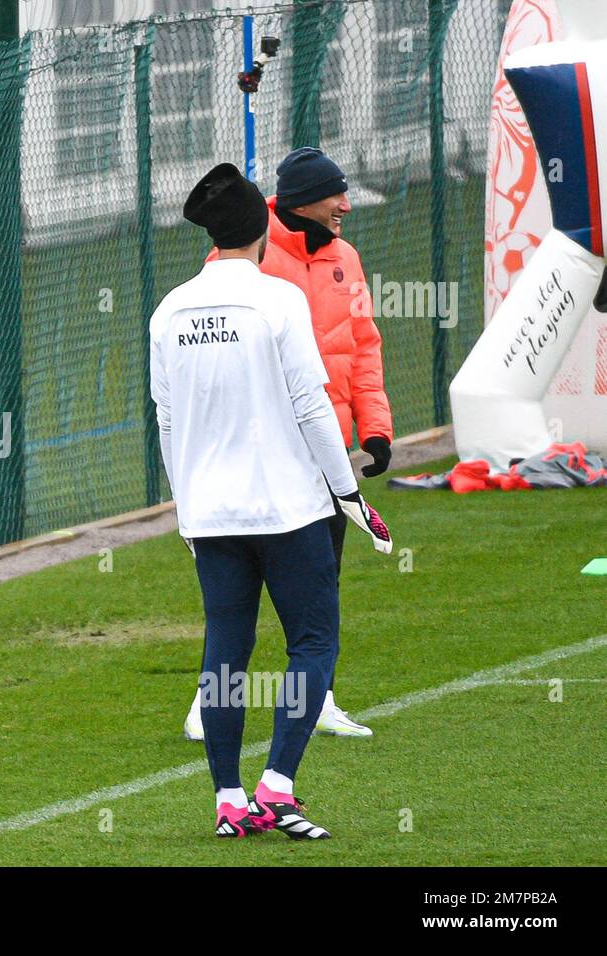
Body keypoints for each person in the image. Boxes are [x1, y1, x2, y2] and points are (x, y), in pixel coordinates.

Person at [150, 163, 393, 838]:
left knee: (226, 650)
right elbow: (313, 407)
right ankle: (278, 785)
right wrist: (346, 491)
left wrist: (185, 510)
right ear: (264, 229)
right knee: (313, 642)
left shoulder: (169, 310)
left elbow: (166, 420)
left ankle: (229, 798)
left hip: (212, 511)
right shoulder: (278, 301)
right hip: (288, 506)